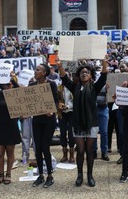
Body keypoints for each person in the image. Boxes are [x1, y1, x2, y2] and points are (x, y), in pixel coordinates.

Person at [57, 58, 108, 187]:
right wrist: (59, 66)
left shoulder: (95, 87)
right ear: (78, 76)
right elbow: (64, 78)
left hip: (91, 123)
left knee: (90, 151)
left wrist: (104, 62)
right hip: (78, 124)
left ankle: (90, 176)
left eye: (87, 72)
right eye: (81, 73)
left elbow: (104, 76)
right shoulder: (75, 87)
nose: (84, 74)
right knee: (80, 150)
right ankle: (79, 175)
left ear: (91, 75)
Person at [31, 63, 59, 188]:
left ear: (44, 73)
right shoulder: (32, 85)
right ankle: (40, 175)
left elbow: (56, 101)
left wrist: (52, 110)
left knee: (45, 147)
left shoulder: (51, 84)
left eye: (37, 70)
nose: (35, 71)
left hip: (48, 120)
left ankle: (50, 176)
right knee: (37, 148)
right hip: (37, 119)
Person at [57, 73, 75, 163]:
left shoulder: (73, 87)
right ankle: (64, 153)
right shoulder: (59, 88)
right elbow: (57, 99)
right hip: (62, 113)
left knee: (71, 133)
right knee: (62, 133)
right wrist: (59, 104)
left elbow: (75, 100)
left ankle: (72, 154)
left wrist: (67, 106)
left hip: (71, 112)